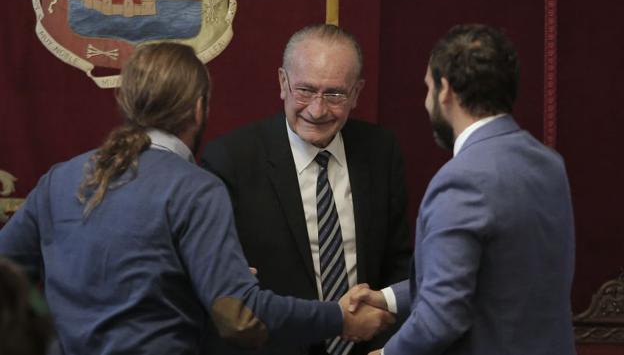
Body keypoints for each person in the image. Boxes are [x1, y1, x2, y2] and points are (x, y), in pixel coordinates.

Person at [0, 43, 394, 355]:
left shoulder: (59, 180)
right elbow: (240, 318)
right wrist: (336, 318)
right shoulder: (196, 189)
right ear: (199, 107)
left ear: (127, 101)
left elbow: (6, 273)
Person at [349, 24, 576, 355]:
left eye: (427, 89)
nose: (426, 103)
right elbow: (490, 280)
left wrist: (387, 354)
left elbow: (443, 315)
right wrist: (385, 298)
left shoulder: (462, 180)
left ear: (446, 90)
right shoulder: (550, 164)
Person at [200, 24, 412, 355]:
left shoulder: (381, 151)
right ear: (283, 83)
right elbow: (226, 294)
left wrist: (387, 347)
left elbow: (399, 263)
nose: (317, 109)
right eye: (305, 90)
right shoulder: (230, 161)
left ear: (356, 93)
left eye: (334, 94)